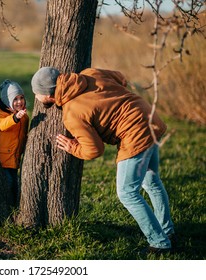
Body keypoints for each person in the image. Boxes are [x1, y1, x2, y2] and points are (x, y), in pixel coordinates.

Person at [31, 66, 175, 254]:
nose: (35, 98)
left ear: (48, 94)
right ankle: (167, 230)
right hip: (150, 118)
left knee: (127, 193)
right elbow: (121, 77)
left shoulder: (72, 113)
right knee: (151, 181)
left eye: (37, 94)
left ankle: (159, 243)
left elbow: (94, 150)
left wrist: (72, 147)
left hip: (135, 135)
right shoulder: (89, 74)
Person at [0, 79, 29, 207]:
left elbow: (23, 134)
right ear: (8, 101)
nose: (19, 102)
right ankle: (6, 207)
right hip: (2, 156)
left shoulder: (24, 116)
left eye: (21, 98)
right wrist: (15, 117)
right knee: (7, 182)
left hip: (14, 156)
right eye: (15, 99)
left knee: (15, 183)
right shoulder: (1, 113)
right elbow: (1, 125)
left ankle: (14, 207)